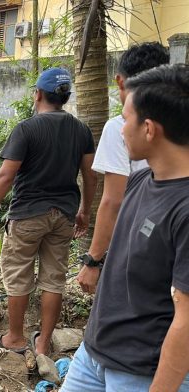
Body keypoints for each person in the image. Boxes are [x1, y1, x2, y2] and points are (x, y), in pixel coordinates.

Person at [61, 64, 189, 392]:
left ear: (149, 129)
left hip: (142, 370)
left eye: (125, 118)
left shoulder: (185, 209)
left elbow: (186, 322)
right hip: (94, 354)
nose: (120, 129)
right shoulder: (142, 179)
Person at [0, 68, 96, 356]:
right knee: (54, 278)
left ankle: (15, 338)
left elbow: (5, 176)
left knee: (18, 274)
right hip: (64, 215)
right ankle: (42, 343)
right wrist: (85, 211)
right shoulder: (82, 131)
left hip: (28, 214)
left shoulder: (26, 129)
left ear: (38, 94)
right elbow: (91, 176)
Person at [77, 42, 169, 294]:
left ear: (120, 81)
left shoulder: (118, 128)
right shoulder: (177, 121)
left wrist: (93, 259)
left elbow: (113, 200)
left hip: (136, 244)